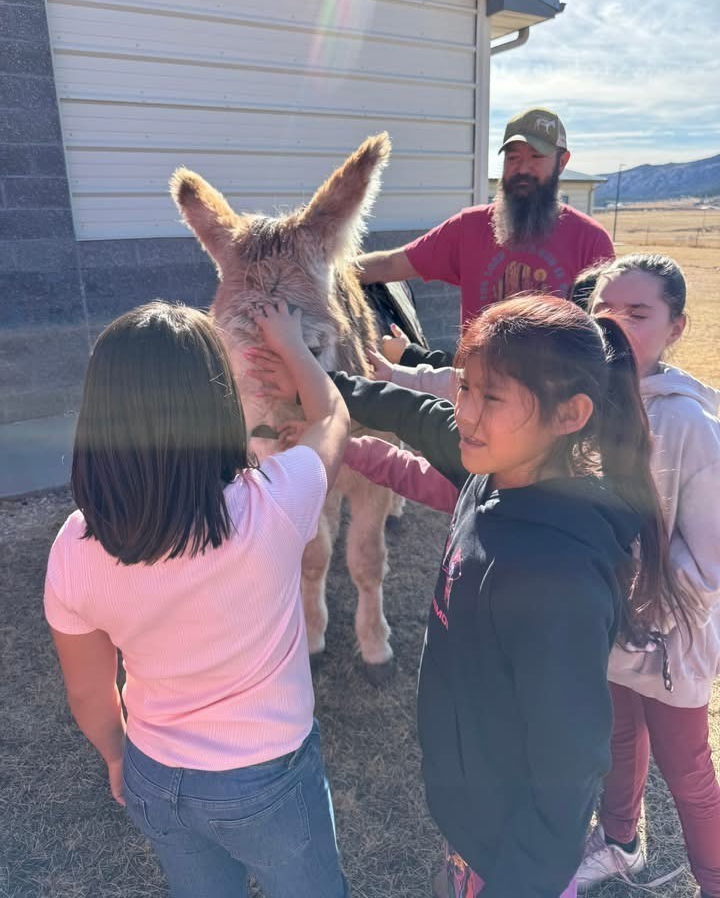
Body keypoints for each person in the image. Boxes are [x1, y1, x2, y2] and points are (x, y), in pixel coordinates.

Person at [251, 293, 694, 898]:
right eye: (464, 387)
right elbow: (411, 411)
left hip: (511, 855)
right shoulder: (493, 469)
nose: (465, 413)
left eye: (492, 397)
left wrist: (516, 882)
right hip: (475, 818)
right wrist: (311, 373)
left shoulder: (557, 577)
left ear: (571, 414)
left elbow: (570, 768)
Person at [43, 300, 351, 898]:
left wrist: (116, 757)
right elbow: (333, 414)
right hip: (272, 778)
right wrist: (288, 340)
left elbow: (88, 691)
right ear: (217, 402)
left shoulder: (75, 545)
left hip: (156, 776)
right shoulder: (275, 502)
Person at [575, 254, 720, 898]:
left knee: (686, 770)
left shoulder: (688, 423)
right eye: (604, 311)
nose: (616, 325)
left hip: (667, 639)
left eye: (638, 313)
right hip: (607, 623)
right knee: (617, 739)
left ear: (676, 326)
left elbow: (711, 558)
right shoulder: (586, 398)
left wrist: (643, 599)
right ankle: (621, 844)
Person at [358, 107, 615, 331]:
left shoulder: (590, 241)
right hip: (474, 383)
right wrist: (324, 271)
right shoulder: (469, 227)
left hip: (555, 386)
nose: (523, 168)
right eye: (513, 157)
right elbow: (392, 264)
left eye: (537, 157)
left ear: (562, 162)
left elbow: (607, 331)